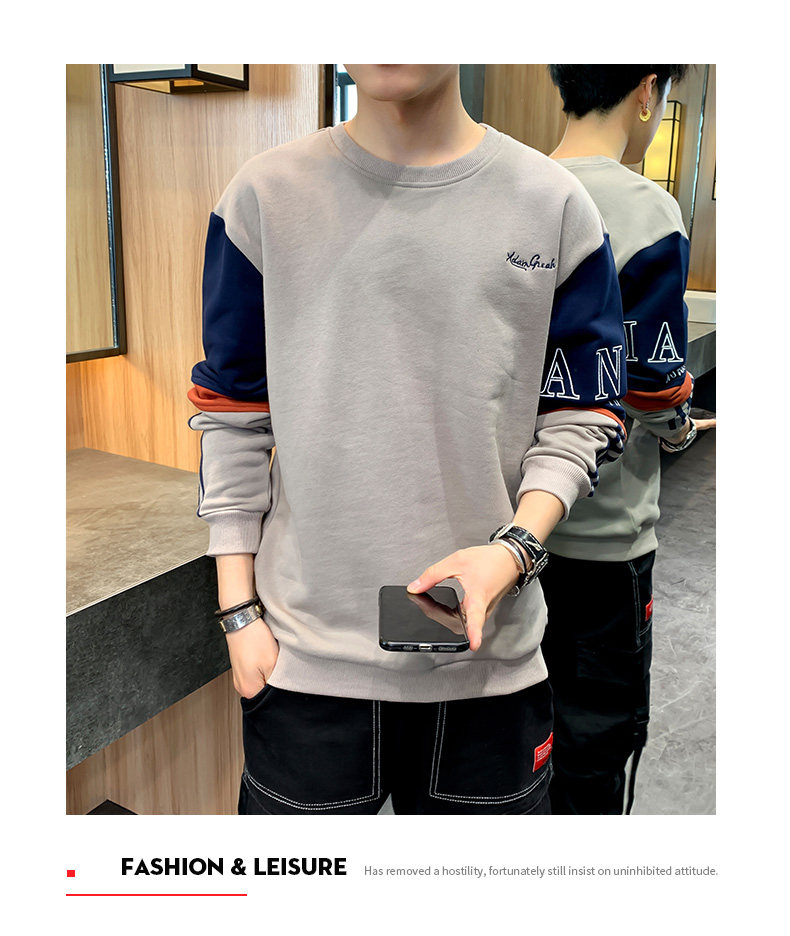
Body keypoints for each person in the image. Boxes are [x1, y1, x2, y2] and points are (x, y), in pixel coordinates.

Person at [187, 64, 627, 815]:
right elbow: (232, 412)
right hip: (303, 664)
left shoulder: (552, 204)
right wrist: (238, 615)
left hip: (491, 667)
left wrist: (514, 550)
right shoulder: (262, 197)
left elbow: (581, 412)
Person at [541, 64, 715, 815]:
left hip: (504, 532)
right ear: (648, 92)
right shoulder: (647, 209)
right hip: (602, 537)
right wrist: (679, 429)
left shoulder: (509, 186)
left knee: (511, 739)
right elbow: (650, 379)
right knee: (594, 742)